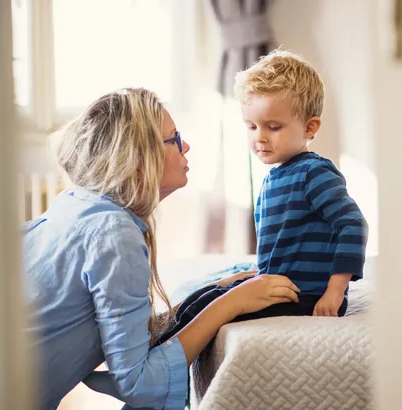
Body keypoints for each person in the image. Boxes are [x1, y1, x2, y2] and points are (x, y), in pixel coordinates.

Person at [22, 88, 300, 410]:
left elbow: (125, 332)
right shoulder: (114, 234)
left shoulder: (73, 205)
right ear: (139, 159)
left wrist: (211, 293)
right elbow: (140, 383)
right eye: (174, 138)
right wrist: (232, 303)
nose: (186, 145)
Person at [154, 49, 369, 341]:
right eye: (252, 126)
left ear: (309, 127)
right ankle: (149, 344)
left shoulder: (314, 173)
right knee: (205, 295)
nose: (260, 137)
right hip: (277, 287)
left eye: (273, 127)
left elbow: (353, 225)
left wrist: (334, 292)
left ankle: (155, 357)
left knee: (211, 308)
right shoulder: (274, 177)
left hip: (304, 296)